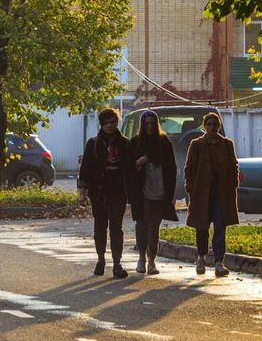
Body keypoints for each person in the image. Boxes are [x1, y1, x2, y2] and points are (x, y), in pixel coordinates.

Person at [77, 108, 133, 278]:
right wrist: (82, 192)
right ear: (101, 124)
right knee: (100, 227)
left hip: (118, 192)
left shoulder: (125, 143)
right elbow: (85, 169)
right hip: (98, 192)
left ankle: (117, 264)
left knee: (116, 228)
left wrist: (131, 193)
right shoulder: (93, 143)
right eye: (106, 122)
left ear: (117, 123)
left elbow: (130, 169)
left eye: (113, 122)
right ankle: (101, 259)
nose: (110, 125)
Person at [183, 111, 240, 276]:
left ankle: (218, 262)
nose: (212, 127)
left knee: (220, 226)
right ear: (204, 126)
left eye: (215, 124)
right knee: (202, 226)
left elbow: (233, 165)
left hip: (221, 192)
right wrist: (189, 185)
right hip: (201, 191)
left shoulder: (227, 144)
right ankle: (201, 258)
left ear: (219, 126)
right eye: (209, 124)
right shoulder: (197, 144)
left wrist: (233, 183)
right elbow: (189, 167)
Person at [130, 110, 178, 275]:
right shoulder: (135, 142)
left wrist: (171, 194)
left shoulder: (164, 142)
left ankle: (152, 261)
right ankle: (141, 258)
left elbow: (172, 169)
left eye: (152, 123)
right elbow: (128, 168)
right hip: (141, 191)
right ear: (142, 125)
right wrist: (138, 163)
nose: (149, 126)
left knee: (154, 227)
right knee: (141, 224)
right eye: (146, 123)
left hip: (160, 190)